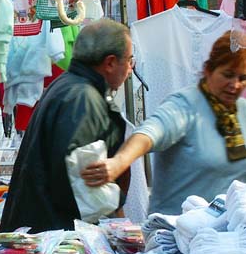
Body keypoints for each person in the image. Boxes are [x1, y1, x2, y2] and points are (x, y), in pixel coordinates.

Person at [82, 31, 246, 215]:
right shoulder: (185, 105)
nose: (235, 85)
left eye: (242, 78)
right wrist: (118, 163)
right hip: (175, 234)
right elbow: (149, 133)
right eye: (228, 75)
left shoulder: (243, 110)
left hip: (228, 234)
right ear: (209, 70)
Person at [0, 18, 133, 232]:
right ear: (109, 63)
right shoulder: (82, 99)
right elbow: (79, 186)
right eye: (129, 60)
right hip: (53, 237)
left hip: (41, 228)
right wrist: (117, 201)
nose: (129, 68)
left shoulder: (68, 85)